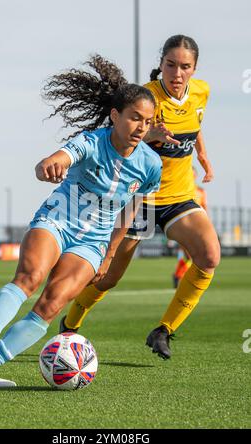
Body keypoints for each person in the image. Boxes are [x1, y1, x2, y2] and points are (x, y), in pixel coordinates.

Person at [0, 55, 162, 387]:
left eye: (147, 121)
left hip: (93, 242)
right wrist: (47, 165)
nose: (141, 127)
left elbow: (131, 209)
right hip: (57, 221)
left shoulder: (151, 165)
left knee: (52, 304)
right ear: (115, 116)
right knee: (30, 276)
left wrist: (109, 255)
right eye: (134, 118)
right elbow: (59, 158)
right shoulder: (91, 141)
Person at [60, 35, 221, 360]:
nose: (177, 73)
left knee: (209, 256)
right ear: (161, 64)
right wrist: (149, 136)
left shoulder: (201, 91)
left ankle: (163, 330)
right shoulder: (148, 99)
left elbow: (196, 122)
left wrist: (202, 155)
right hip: (139, 199)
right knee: (107, 278)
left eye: (185, 67)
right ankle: (70, 325)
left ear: (195, 68)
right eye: (171, 65)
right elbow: (116, 138)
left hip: (179, 196)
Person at [172, 166, 208, 288]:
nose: (191, 176)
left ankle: (179, 275)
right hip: (183, 226)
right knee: (188, 254)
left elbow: (204, 208)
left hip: (197, 227)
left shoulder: (200, 192)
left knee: (193, 255)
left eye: (193, 174)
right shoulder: (180, 190)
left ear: (195, 176)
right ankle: (180, 276)